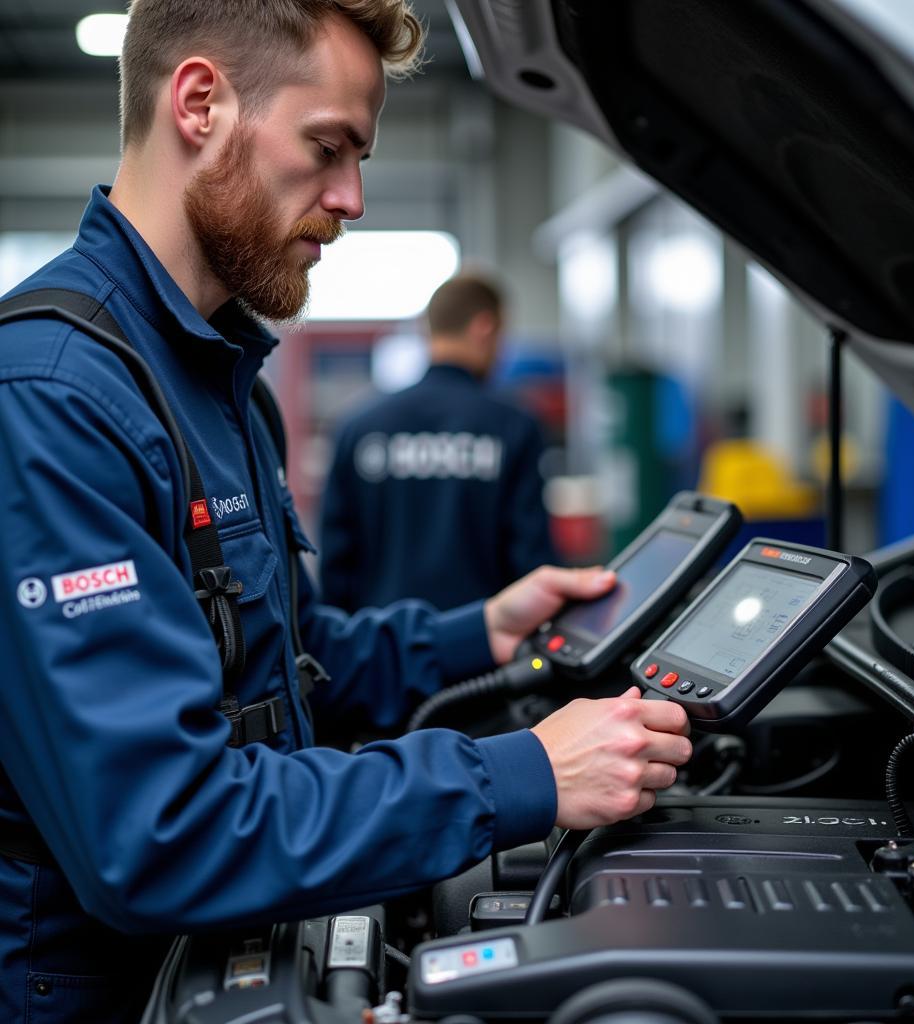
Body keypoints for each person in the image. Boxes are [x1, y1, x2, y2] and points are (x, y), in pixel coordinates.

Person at [0, 2, 692, 1021]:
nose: (352, 198)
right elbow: (156, 833)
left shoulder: (219, 380)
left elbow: (287, 658)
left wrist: (482, 631)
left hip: (221, 956)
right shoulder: (53, 402)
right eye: (328, 148)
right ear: (200, 103)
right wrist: (523, 772)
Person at [320, 272, 558, 611]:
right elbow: (531, 559)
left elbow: (335, 564)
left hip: (379, 649)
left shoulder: (358, 428)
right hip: (485, 647)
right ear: (484, 328)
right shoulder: (513, 427)